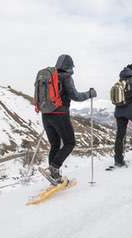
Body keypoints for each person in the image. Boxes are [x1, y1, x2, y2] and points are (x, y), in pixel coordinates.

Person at [39, 54, 97, 185]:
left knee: (54, 144)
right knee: (69, 143)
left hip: (46, 114)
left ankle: (53, 174)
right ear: (69, 66)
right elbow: (75, 96)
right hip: (60, 115)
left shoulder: (49, 76)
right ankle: (53, 169)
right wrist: (90, 94)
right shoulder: (66, 77)